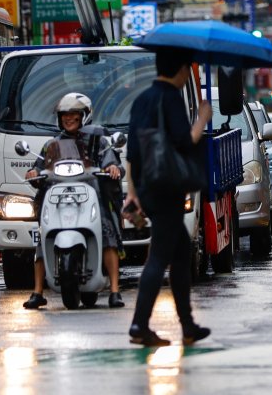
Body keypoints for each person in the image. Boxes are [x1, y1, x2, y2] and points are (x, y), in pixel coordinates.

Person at [123, 47, 213, 347]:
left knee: (181, 252)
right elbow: (184, 141)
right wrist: (202, 118)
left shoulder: (142, 100)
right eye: (187, 68)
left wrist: (132, 195)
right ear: (180, 70)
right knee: (160, 255)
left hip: (147, 187)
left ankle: (188, 325)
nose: (188, 73)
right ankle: (139, 325)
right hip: (168, 187)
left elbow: (133, 153)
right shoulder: (170, 98)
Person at [22, 93, 126, 309]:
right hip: (58, 199)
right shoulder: (52, 144)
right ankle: (38, 291)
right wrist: (33, 172)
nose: (68, 119)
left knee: (106, 231)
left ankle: (115, 291)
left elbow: (111, 161)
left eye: (74, 115)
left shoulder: (99, 140)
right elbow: (39, 166)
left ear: (84, 116)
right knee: (42, 238)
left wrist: (113, 168)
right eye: (65, 115)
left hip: (92, 198)